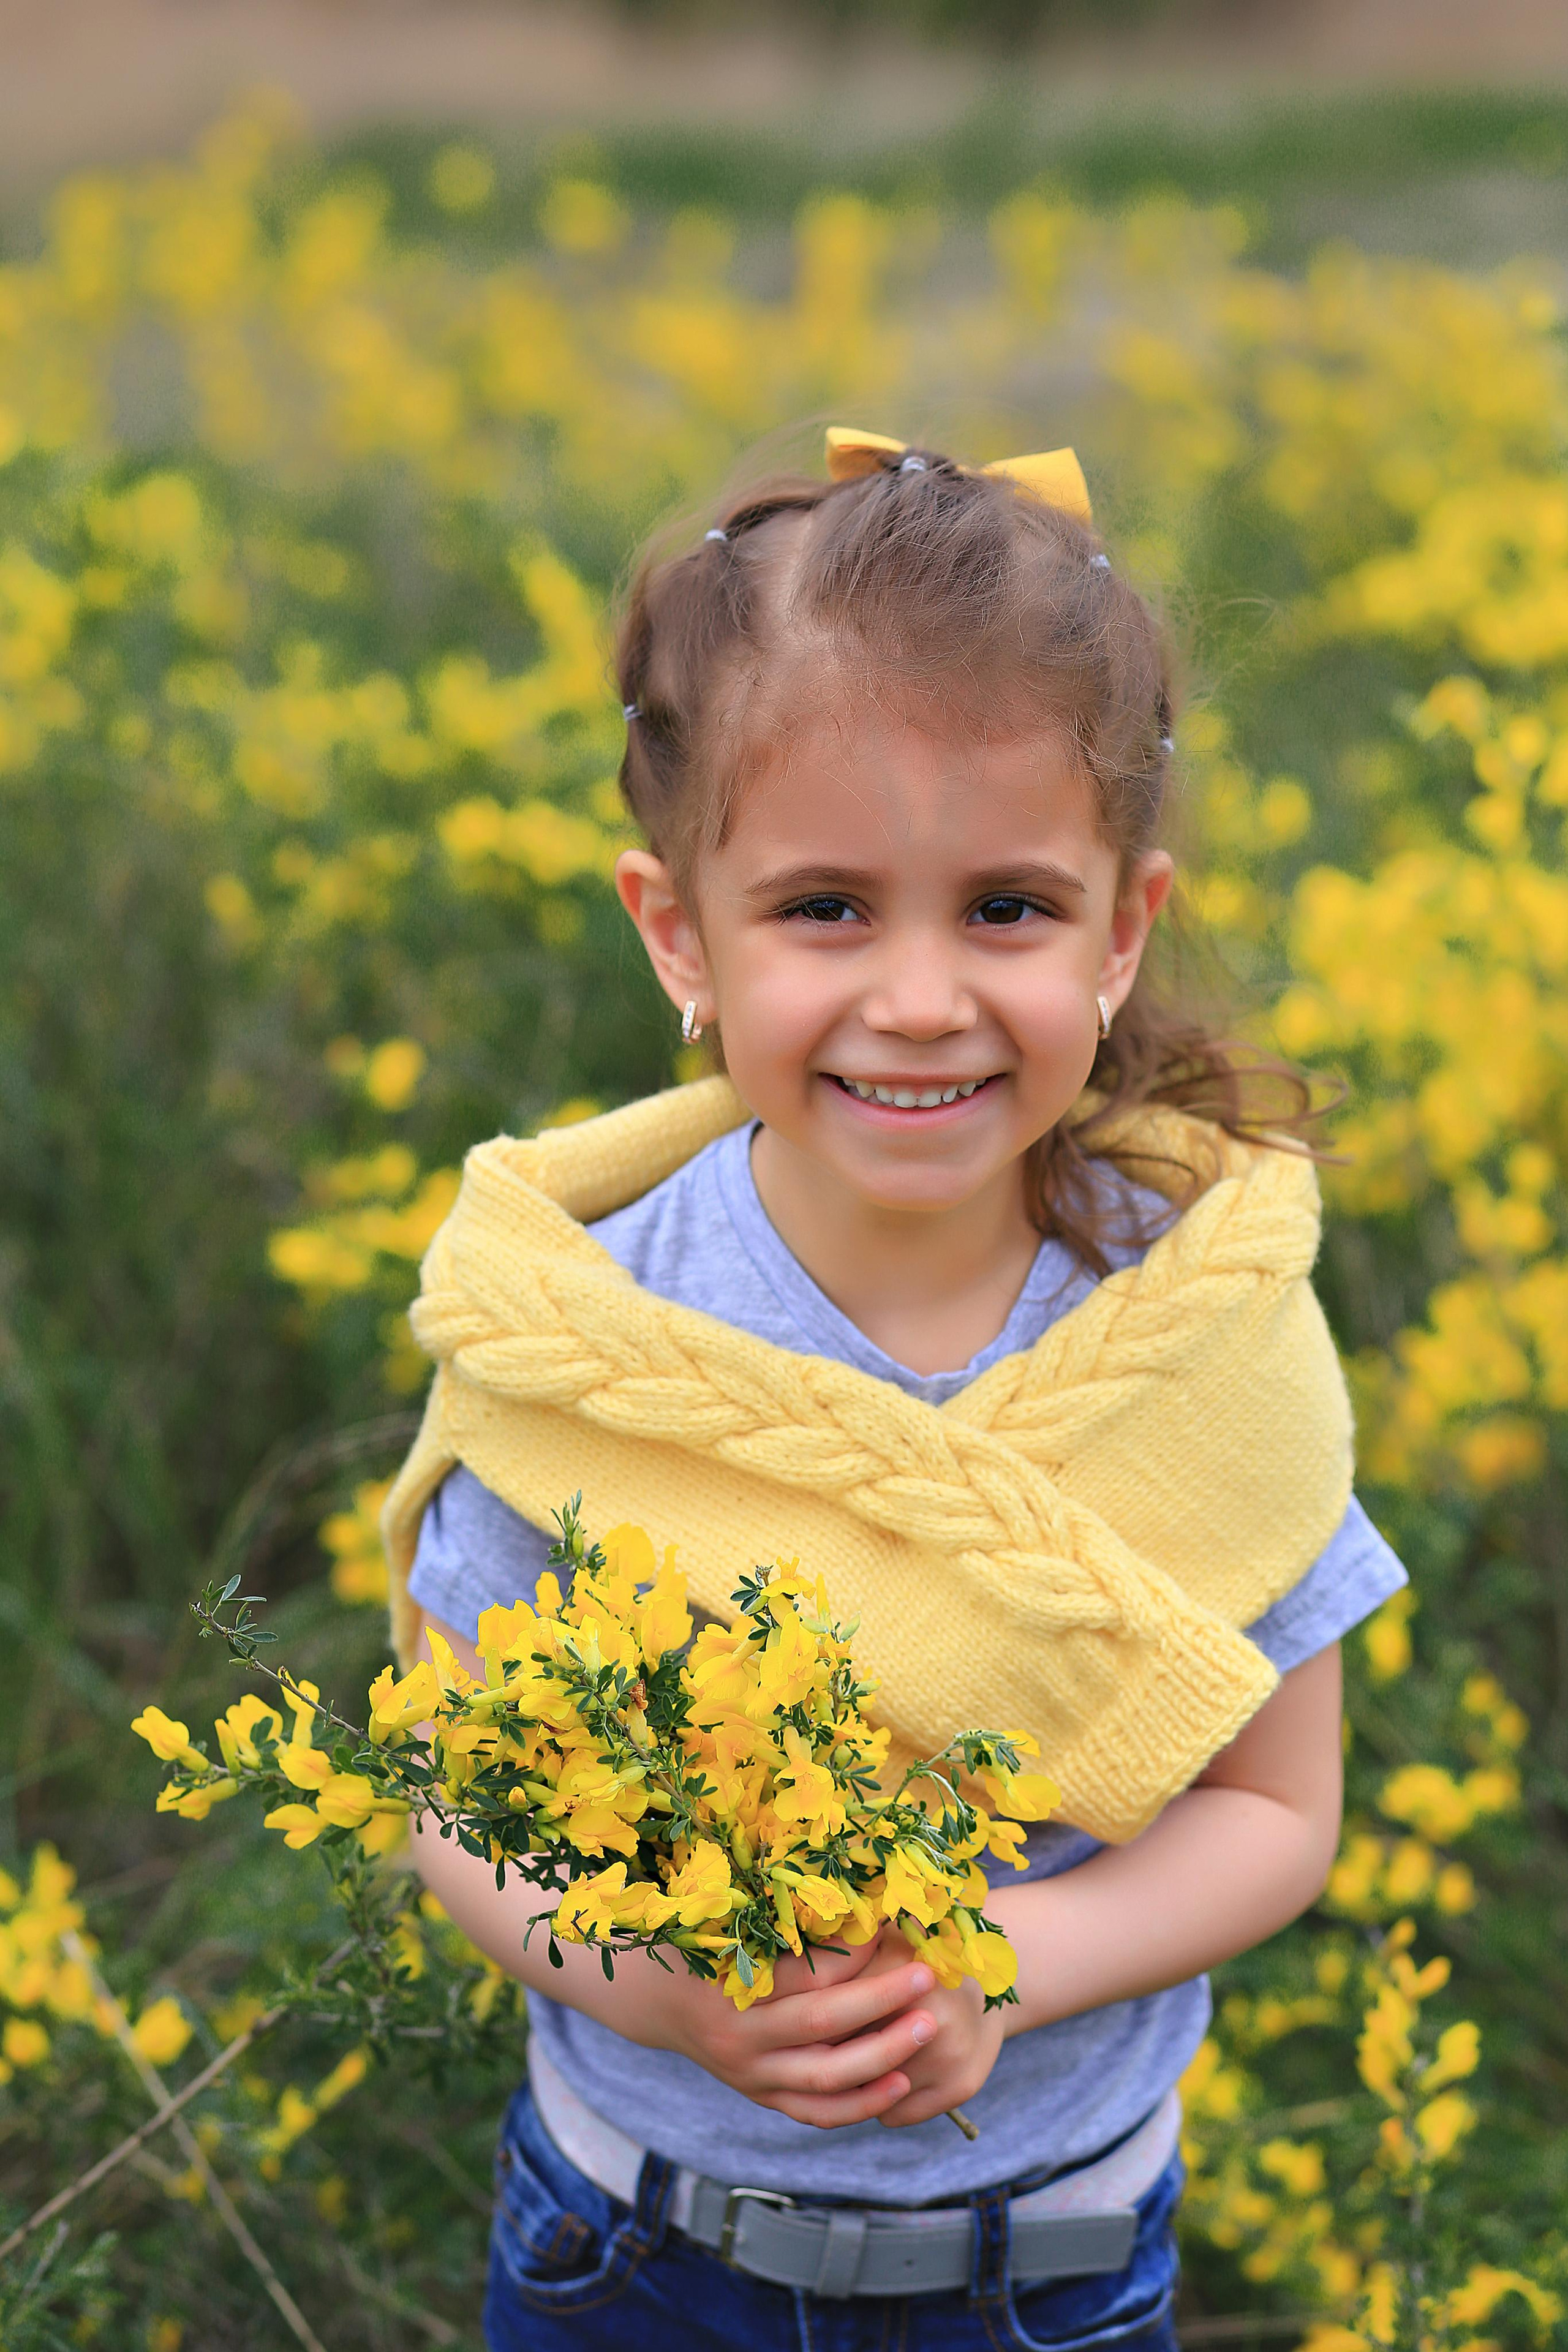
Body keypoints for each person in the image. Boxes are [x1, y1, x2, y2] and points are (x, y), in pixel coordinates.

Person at [381, 428, 1406, 2352]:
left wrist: (1012, 1961)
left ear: (1123, 930)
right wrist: (663, 1984)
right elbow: (453, 1790)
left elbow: (1278, 1802)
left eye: (1006, 909)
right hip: (630, 2248)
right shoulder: (589, 1328)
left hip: (1053, 2269)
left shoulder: (1200, 1323)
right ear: (679, 930)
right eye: (827, 909)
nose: (921, 996)